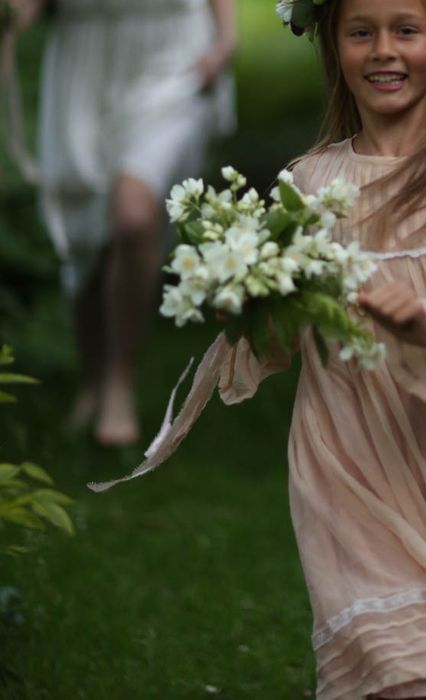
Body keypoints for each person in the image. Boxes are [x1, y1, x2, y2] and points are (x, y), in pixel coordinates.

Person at [94, 0, 426, 697]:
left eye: (406, 30)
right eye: (361, 32)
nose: (383, 50)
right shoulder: (312, 183)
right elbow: (290, 332)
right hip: (348, 451)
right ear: (333, 44)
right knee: (395, 657)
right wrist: (246, 301)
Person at [10, 0, 236, 446]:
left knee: (134, 217)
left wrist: (227, 39)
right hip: (84, 61)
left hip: (172, 53)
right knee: (84, 235)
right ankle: (92, 377)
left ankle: (119, 380)